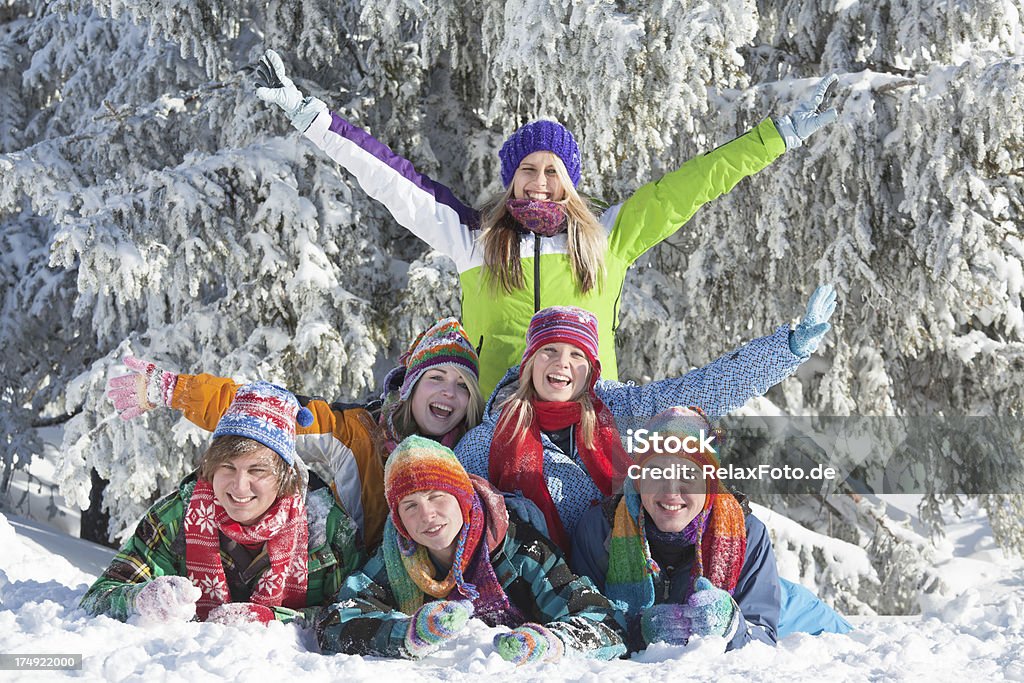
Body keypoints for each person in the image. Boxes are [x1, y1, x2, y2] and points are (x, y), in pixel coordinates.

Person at [252, 48, 839, 394]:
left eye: (552, 170)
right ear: (510, 178)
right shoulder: (474, 239)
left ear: (571, 181)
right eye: (527, 169)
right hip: (494, 430)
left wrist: (776, 137)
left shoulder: (607, 239)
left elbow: (694, 184)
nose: (539, 181)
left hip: (586, 419)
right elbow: (391, 180)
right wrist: (315, 120)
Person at [456, 284, 837, 551]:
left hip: (628, 574)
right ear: (529, 363)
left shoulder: (621, 410)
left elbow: (705, 390)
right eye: (549, 351)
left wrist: (787, 348)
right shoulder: (485, 441)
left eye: (576, 356)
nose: (561, 364)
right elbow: (455, 524)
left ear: (591, 369)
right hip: (540, 592)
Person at [106, 317, 483, 549]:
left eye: (462, 385)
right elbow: (267, 411)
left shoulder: (475, 453)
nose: (448, 392)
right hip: (347, 571)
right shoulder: (360, 433)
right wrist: (173, 389)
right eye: (436, 378)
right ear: (411, 387)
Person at [315, 435, 627, 664]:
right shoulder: (397, 555)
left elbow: (604, 622)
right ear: (399, 521)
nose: (427, 515)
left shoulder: (518, 547)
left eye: (437, 496)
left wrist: (548, 643)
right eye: (410, 506)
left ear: (463, 499)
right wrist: (409, 634)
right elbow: (335, 620)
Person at [570, 406, 853, 652]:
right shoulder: (600, 530)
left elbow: (762, 635)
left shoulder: (747, 533)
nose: (671, 491)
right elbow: (588, 621)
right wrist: (640, 633)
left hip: (785, 605)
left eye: (687, 475)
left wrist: (731, 625)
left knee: (849, 642)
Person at [80, 381, 364, 625]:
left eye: (257, 470)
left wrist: (276, 621)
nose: (239, 486)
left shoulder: (325, 528)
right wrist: (140, 600)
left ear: (284, 477)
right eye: (227, 467)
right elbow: (97, 598)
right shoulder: (175, 518)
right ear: (210, 468)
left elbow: (353, 615)